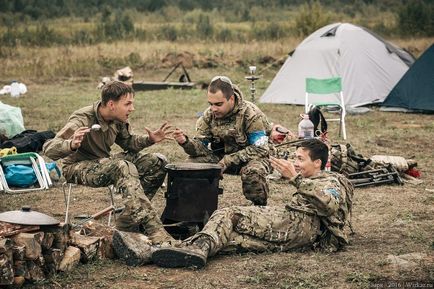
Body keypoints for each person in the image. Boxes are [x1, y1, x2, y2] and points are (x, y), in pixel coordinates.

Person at [151, 138, 354, 269]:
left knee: (229, 214)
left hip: (301, 226)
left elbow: (329, 205)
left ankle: (197, 248)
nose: (295, 163)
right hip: (299, 233)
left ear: (317, 163)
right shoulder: (313, 179)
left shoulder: (330, 180)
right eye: (295, 158)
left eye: (300, 159)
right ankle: (159, 253)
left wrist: (295, 179)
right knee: (230, 237)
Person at [43, 81, 175, 261]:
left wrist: (149, 139)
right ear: (111, 104)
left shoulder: (117, 119)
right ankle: (156, 232)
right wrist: (71, 144)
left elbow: (128, 143)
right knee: (122, 166)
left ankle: (127, 223)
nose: (132, 108)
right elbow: (49, 149)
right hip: (76, 167)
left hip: (104, 162)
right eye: (127, 104)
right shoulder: (82, 118)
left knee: (158, 161)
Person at [172, 75, 272, 205]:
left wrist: (228, 160)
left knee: (252, 173)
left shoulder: (251, 114)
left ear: (231, 99)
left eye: (218, 104)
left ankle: (259, 208)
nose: (213, 109)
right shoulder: (209, 115)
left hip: (252, 158)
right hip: (221, 159)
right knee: (191, 165)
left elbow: (261, 149)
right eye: (211, 104)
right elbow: (200, 148)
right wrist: (185, 142)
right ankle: (196, 210)